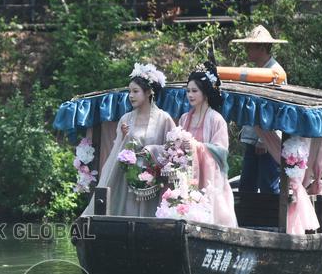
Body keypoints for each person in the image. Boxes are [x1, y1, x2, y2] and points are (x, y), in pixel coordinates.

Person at [89, 63, 176, 217]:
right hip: (128, 179)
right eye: (129, 91)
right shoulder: (126, 119)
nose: (131, 95)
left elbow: (173, 150)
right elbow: (117, 151)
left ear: (148, 92)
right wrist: (123, 138)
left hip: (153, 180)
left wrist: (152, 151)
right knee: (127, 214)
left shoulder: (164, 119)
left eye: (136, 91)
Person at [179, 61, 237, 227]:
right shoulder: (184, 118)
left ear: (205, 93)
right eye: (188, 91)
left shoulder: (216, 120)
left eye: (194, 91)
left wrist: (195, 146)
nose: (190, 95)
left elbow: (221, 153)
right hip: (187, 177)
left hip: (210, 181)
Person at [232, 26, 288, 194]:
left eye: (250, 47)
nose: (246, 50)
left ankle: (270, 219)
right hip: (252, 136)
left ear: (262, 48)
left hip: (267, 139)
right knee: (247, 185)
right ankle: (248, 218)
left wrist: (264, 139)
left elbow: (277, 109)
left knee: (268, 185)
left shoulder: (275, 72)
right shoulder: (256, 70)